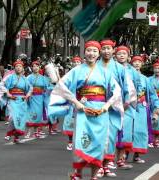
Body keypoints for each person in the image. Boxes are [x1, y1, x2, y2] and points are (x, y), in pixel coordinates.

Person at [52, 40, 120, 180]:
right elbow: (61, 86)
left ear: (98, 53)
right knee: (81, 142)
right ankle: (78, 174)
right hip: (83, 111)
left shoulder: (105, 72)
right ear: (84, 52)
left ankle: (94, 176)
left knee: (98, 143)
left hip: (101, 112)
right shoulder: (76, 70)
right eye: (89, 50)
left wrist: (107, 106)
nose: (92, 53)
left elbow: (117, 91)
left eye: (95, 51)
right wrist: (76, 102)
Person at [97, 40, 129, 177]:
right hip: (97, 105)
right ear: (100, 51)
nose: (106, 51)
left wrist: (126, 101)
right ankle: (97, 165)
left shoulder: (120, 68)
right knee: (97, 135)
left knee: (110, 136)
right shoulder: (93, 66)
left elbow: (127, 87)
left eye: (108, 48)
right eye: (103, 48)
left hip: (114, 107)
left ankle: (106, 164)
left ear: (113, 50)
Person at [130, 55, 159, 163]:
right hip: (128, 107)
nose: (137, 63)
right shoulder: (127, 76)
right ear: (131, 63)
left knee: (141, 131)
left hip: (141, 108)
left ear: (142, 64)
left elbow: (152, 94)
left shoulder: (145, 79)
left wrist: (156, 107)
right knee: (128, 131)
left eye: (139, 62)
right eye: (135, 62)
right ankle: (123, 156)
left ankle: (137, 155)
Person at [114, 45, 138, 169]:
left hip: (128, 105)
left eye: (124, 53)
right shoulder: (111, 68)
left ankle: (121, 160)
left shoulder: (132, 71)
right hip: (113, 104)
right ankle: (109, 161)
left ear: (128, 56)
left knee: (125, 133)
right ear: (115, 55)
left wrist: (131, 101)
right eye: (119, 53)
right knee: (112, 132)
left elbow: (137, 86)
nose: (122, 55)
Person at [0, 59, 32, 143]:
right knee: (13, 117)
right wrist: (8, 93)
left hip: (21, 100)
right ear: (14, 68)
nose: (18, 68)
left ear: (22, 68)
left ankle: (16, 136)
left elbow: (30, 88)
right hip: (12, 99)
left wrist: (27, 96)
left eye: (20, 66)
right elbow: (1, 85)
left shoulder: (25, 79)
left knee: (20, 118)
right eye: (17, 66)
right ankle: (8, 133)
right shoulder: (10, 77)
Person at [25, 61, 49, 139]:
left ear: (39, 68)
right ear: (32, 68)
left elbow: (46, 88)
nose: (35, 67)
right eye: (34, 66)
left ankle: (36, 132)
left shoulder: (43, 78)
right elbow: (26, 87)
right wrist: (28, 95)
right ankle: (28, 132)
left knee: (38, 115)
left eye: (37, 66)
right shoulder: (29, 77)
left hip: (40, 98)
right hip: (32, 97)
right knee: (30, 114)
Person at [63, 56, 82, 151]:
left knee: (82, 122)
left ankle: (79, 143)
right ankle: (70, 142)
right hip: (71, 101)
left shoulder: (85, 73)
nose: (77, 63)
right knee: (70, 121)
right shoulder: (69, 74)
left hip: (83, 100)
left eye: (79, 62)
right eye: (75, 62)